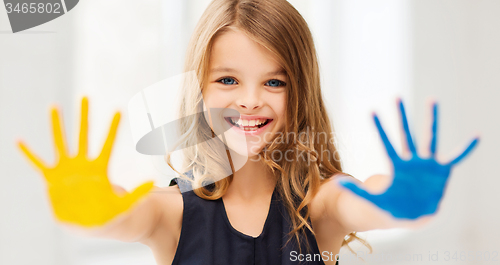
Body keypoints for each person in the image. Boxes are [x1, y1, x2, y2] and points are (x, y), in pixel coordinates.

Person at [17, 0, 479, 264]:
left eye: (274, 82)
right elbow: (124, 214)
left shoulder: (319, 206)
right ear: (199, 90)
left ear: (300, 92)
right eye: (228, 80)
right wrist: (90, 208)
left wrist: (400, 200)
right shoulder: (172, 214)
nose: (250, 100)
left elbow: (366, 200)